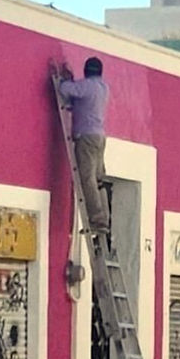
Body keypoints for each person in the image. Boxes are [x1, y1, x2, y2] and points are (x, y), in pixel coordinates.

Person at [59, 57, 111, 233]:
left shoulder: (86, 86)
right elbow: (82, 101)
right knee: (98, 180)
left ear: (87, 70)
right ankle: (104, 218)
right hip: (100, 136)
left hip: (86, 137)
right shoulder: (103, 88)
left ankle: (96, 219)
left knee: (86, 178)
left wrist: (66, 79)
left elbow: (65, 89)